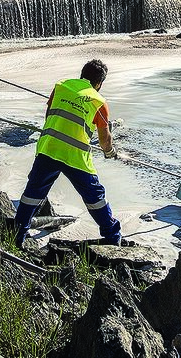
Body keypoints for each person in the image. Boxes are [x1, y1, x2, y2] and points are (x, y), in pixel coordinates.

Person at [13, 59, 121, 248]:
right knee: (95, 198)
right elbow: (105, 140)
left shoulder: (60, 87)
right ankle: (112, 237)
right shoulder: (98, 102)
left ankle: (17, 234)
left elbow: (50, 116)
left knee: (33, 193)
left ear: (82, 75)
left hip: (49, 148)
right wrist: (110, 152)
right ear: (99, 83)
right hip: (75, 157)